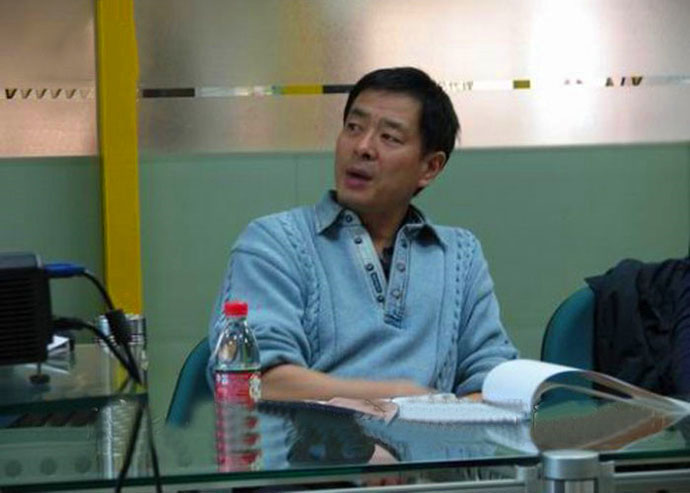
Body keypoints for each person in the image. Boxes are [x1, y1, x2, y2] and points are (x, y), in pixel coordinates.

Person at [209, 67, 517, 401]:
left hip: (432, 434)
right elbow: (254, 379)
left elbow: (492, 375)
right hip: (309, 436)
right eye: (353, 128)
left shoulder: (459, 255)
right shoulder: (274, 242)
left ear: (429, 168)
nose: (363, 147)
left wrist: (441, 418)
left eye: (390, 137)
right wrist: (400, 399)